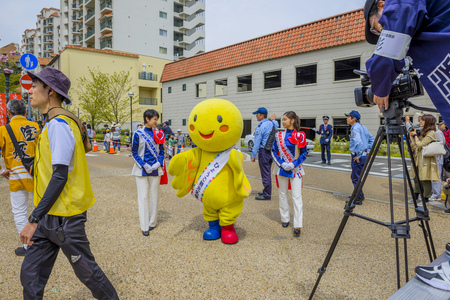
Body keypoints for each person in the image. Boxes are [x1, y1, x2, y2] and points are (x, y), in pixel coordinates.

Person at [20, 67, 118, 299]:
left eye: (35, 86)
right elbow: (48, 170)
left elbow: (60, 175)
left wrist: (33, 219)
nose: (30, 91)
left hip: (65, 219)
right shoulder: (52, 123)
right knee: (30, 275)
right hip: (49, 215)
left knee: (88, 273)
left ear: (50, 91)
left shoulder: (59, 125)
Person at [364, 0, 450, 127]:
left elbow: (389, 49)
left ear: (382, 4)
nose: (382, 34)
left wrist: (380, 85)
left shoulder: (399, 2)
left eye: (379, 27)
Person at [0, 100, 39, 256]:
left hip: (16, 175)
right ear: (25, 113)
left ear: (8, 113)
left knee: (19, 212)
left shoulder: (4, 130)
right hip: (36, 174)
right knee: (39, 210)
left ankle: (29, 246)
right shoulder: (37, 127)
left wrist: (2, 171)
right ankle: (42, 243)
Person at [271, 111, 307, 237]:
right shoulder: (278, 135)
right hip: (281, 169)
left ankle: (298, 224)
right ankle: (285, 218)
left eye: (285, 119)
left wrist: (293, 164)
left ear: (292, 121)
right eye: (282, 119)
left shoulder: (300, 135)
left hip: (295, 170)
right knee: (282, 194)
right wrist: (282, 163)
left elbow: (303, 153)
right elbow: (274, 151)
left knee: (297, 197)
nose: (283, 121)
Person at [131, 109, 165, 236]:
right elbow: (134, 152)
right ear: (147, 119)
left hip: (155, 169)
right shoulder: (138, 134)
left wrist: (157, 164)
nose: (156, 121)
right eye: (154, 119)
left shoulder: (159, 133)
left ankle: (152, 222)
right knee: (143, 197)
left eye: (157, 119)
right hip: (141, 169)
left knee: (154, 196)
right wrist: (144, 164)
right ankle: (144, 226)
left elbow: (162, 151)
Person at [409, 114, 441, 205]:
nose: (420, 121)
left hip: (426, 159)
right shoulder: (423, 131)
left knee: (425, 178)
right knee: (416, 177)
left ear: (427, 122)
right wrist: (411, 137)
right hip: (418, 158)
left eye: (422, 120)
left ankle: (426, 199)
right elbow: (415, 146)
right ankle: (416, 197)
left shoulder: (431, 133)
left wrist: (415, 135)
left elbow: (420, 144)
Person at [346, 110, 374, 205]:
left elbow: (358, 142)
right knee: (357, 176)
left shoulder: (355, 128)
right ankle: (358, 194)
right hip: (364, 155)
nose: (347, 118)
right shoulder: (363, 127)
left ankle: (358, 197)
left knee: (355, 177)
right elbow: (372, 140)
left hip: (358, 156)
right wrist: (368, 151)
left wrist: (358, 155)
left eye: (348, 117)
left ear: (353, 119)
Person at [251, 107, 279, 200]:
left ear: (261, 115)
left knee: (265, 173)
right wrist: (273, 119)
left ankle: (267, 194)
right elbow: (276, 123)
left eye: (257, 114)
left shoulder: (261, 126)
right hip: (270, 151)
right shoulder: (272, 123)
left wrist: (253, 155)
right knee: (267, 172)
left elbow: (257, 142)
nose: (256, 116)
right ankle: (266, 190)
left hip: (263, 152)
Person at [430, 122, 445, 201]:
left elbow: (441, 144)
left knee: (436, 175)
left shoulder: (438, 133)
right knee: (433, 175)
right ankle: (434, 193)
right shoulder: (434, 132)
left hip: (437, 157)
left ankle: (436, 194)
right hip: (434, 157)